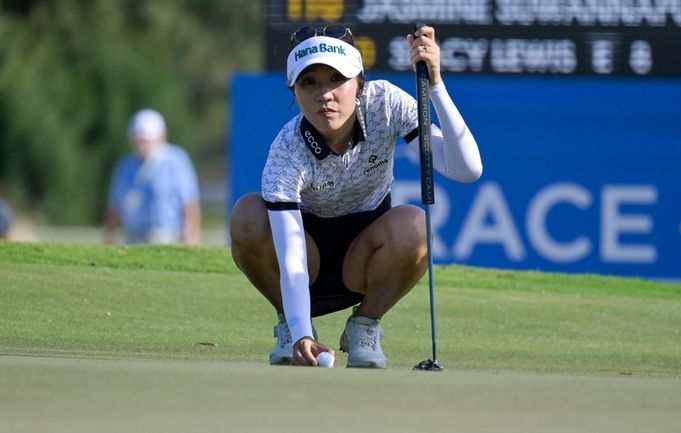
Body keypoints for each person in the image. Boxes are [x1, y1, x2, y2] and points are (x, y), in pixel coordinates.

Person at [229, 24, 482, 368]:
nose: (325, 94)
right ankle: (291, 328)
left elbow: (466, 170)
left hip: (369, 255)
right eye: (309, 83)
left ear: (360, 83)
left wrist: (435, 84)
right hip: (308, 258)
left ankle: (364, 325)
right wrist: (302, 330)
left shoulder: (386, 104)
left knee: (416, 225)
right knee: (247, 215)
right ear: (294, 90)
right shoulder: (286, 151)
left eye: (337, 79)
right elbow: (291, 256)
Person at [105, 109, 201, 245]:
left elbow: (189, 203)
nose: (141, 146)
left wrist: (191, 238)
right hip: (133, 235)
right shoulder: (126, 166)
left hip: (167, 235)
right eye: (138, 141)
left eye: (145, 141)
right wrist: (109, 238)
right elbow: (115, 205)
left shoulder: (176, 161)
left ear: (160, 137)